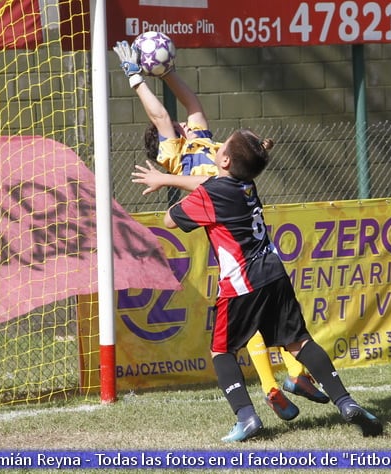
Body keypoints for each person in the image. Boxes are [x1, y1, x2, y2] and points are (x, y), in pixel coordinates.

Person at [113, 40, 329, 422]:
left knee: (265, 308)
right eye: (174, 127)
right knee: (256, 305)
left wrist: (168, 71)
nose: (181, 123)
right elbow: (163, 118)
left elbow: (192, 104)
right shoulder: (172, 151)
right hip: (224, 222)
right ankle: (282, 382)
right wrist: (136, 80)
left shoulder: (200, 137)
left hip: (240, 220)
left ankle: (282, 383)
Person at [154, 128, 383, 442]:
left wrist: (168, 184)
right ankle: (346, 402)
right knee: (299, 342)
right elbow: (214, 183)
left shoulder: (211, 195)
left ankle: (247, 418)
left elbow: (170, 220)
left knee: (222, 351)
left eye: (221, 146)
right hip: (274, 274)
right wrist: (170, 180)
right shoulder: (247, 183)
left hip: (241, 283)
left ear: (222, 159)